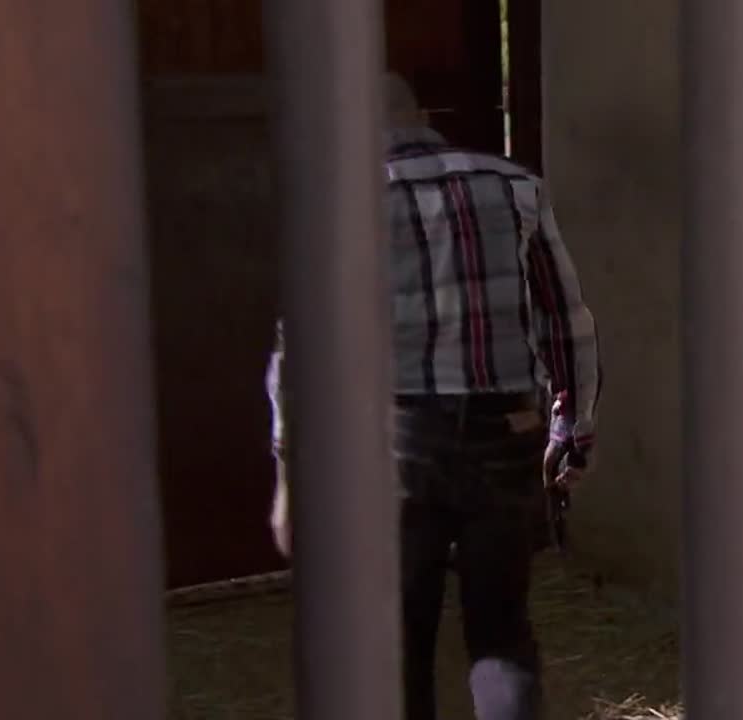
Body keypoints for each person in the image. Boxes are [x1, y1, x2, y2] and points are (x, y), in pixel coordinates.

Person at [265, 72, 601, 720]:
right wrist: (573, 432)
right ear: (420, 113)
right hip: (506, 431)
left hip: (397, 442)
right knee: (501, 630)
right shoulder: (514, 185)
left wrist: (289, 475)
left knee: (396, 636)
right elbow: (567, 321)